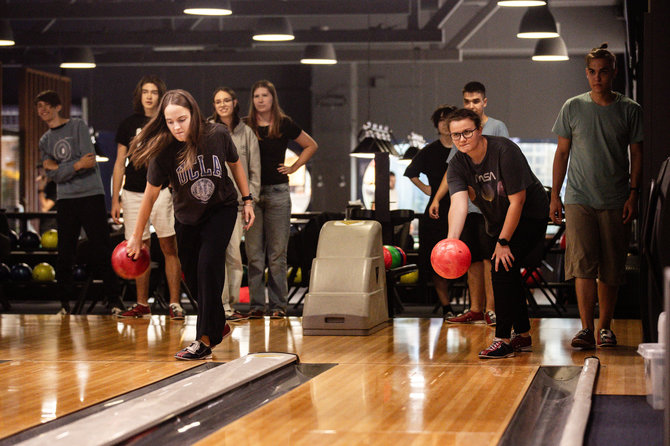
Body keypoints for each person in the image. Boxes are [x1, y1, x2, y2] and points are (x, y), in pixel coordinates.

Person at [126, 89, 255, 360]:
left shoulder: (217, 135)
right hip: (186, 218)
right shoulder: (164, 150)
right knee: (193, 277)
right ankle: (218, 324)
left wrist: (248, 200)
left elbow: (236, 164)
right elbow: (149, 196)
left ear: (194, 114)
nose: (176, 127)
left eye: (181, 120)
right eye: (170, 122)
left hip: (221, 209)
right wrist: (137, 236)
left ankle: (204, 340)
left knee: (209, 266)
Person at [550, 44, 643, 350]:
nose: (597, 77)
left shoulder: (630, 109)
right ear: (586, 73)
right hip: (579, 198)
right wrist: (555, 196)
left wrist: (633, 194)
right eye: (592, 71)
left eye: (604, 71)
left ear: (613, 72)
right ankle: (586, 329)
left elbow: (637, 154)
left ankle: (605, 328)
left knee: (612, 267)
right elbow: (562, 153)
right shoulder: (572, 107)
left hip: (616, 199)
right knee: (582, 265)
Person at [445, 108, 549, 358]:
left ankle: (502, 339)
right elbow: (458, 204)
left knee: (501, 267)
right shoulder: (457, 163)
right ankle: (522, 336)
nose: (461, 139)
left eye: (467, 132)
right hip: (497, 219)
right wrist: (451, 242)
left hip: (529, 216)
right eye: (455, 135)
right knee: (508, 270)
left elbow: (518, 201)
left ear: (480, 130)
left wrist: (503, 241)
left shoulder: (504, 151)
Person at [36, 90, 122, 314]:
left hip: (90, 194)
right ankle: (64, 304)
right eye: (39, 107)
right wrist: (74, 166)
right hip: (66, 199)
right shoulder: (44, 140)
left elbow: (90, 161)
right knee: (65, 252)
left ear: (58, 107)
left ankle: (113, 300)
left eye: (47, 105)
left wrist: (60, 169)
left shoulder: (77, 126)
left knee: (102, 249)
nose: (43, 110)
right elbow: (52, 173)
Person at [431, 81, 509, 326]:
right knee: (472, 257)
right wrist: (437, 197)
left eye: (476, 101)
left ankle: (491, 309)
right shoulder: (459, 137)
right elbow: (452, 172)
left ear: (484, 102)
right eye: (467, 101)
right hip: (469, 209)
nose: (472, 105)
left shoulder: (496, 128)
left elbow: (505, 169)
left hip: (492, 210)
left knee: (489, 258)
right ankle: (475, 309)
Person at [111, 75, 185, 320]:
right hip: (132, 193)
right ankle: (142, 304)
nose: (150, 96)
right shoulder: (127, 124)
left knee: (168, 246)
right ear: (139, 96)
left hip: (162, 190)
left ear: (161, 95)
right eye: (145, 92)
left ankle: (175, 303)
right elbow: (120, 163)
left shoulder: (168, 122)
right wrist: (115, 199)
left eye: (154, 91)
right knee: (138, 249)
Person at [243, 80, 318, 319]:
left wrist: (294, 167)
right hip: (251, 194)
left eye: (265, 95)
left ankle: (278, 306)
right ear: (252, 100)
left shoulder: (284, 123)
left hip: (278, 191)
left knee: (277, 254)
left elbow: (311, 145)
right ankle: (256, 305)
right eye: (256, 96)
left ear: (273, 98)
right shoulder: (245, 125)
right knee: (254, 254)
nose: (261, 100)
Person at [208, 86, 261, 322]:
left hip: (238, 204)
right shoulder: (206, 130)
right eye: (218, 101)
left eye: (226, 100)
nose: (222, 105)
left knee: (234, 256)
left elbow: (254, 171)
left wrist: (250, 201)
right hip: (211, 205)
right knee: (216, 255)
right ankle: (221, 307)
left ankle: (230, 304)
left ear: (234, 102)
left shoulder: (247, 133)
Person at [404, 105, 457, 320]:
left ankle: (474, 306)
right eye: (441, 120)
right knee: (437, 262)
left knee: (465, 258)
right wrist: (428, 189)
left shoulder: (462, 148)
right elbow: (411, 172)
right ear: (436, 125)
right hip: (435, 212)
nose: (445, 124)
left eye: (449, 119)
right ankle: (446, 307)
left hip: (462, 208)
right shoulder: (430, 150)